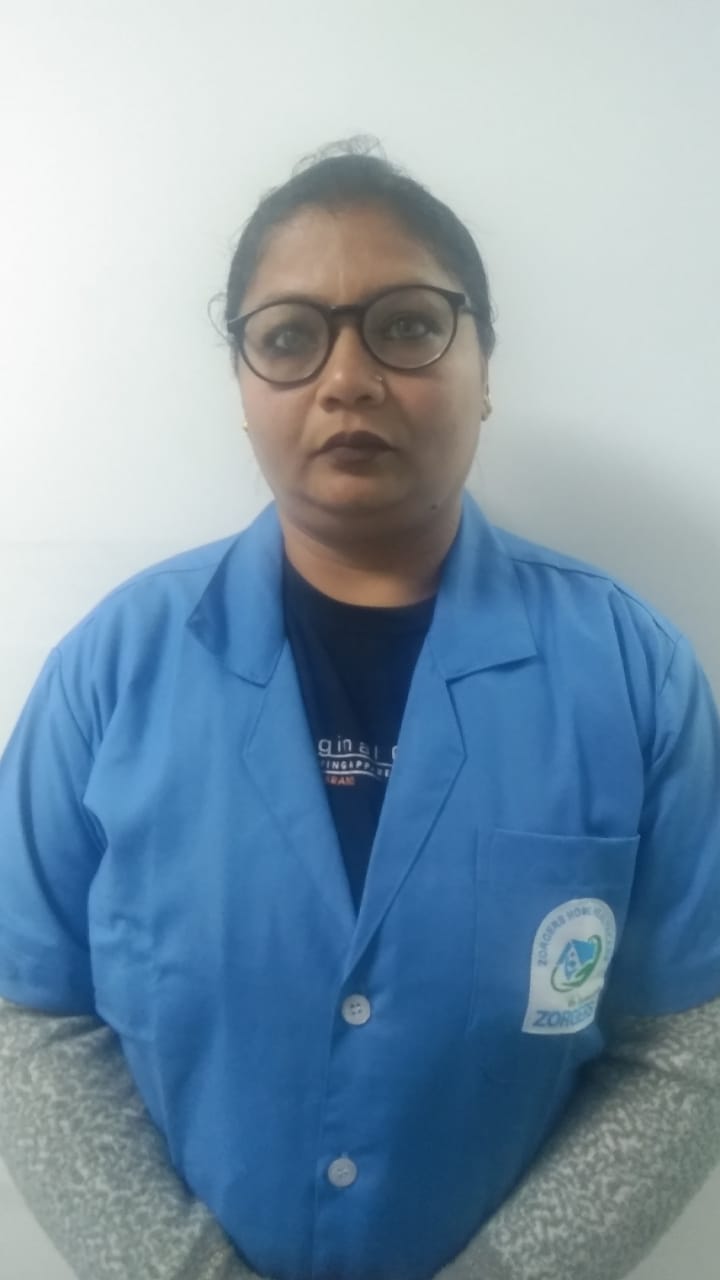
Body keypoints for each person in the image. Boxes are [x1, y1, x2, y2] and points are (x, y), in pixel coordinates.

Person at [1, 136, 720, 1280]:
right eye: (290, 337)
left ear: (485, 364)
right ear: (243, 388)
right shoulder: (110, 673)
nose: (348, 378)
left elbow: (684, 1039)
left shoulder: (634, 675)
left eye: (408, 324)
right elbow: (27, 1019)